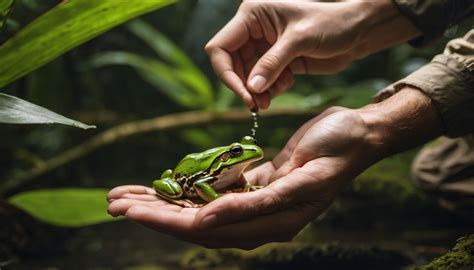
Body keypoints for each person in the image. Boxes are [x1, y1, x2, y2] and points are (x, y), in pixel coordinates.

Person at [107, 0, 474, 249]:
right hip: (185, 180)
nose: (246, 155)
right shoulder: (218, 172)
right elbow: (205, 186)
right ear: (229, 158)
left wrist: (375, 127)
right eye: (238, 153)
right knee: (436, 171)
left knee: (439, 172)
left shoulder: (233, 168)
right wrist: (364, 17)